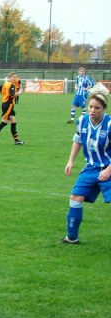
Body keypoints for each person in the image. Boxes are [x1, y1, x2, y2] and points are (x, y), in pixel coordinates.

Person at [62, 85, 111, 244]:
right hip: (91, 168)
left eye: (97, 108)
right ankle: (71, 238)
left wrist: (108, 170)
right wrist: (71, 161)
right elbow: (78, 140)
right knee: (75, 197)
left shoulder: (110, 124)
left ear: (104, 108)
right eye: (90, 106)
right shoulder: (82, 120)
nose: (92, 110)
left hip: (109, 168)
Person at [0, 72, 24, 145]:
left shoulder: (5, 84)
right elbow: (11, 95)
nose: (15, 79)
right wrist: (20, 92)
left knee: (13, 122)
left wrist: (4, 95)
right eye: (13, 77)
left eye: (16, 77)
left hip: (6, 104)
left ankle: (16, 140)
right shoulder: (11, 85)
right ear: (9, 77)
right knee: (4, 122)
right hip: (8, 105)